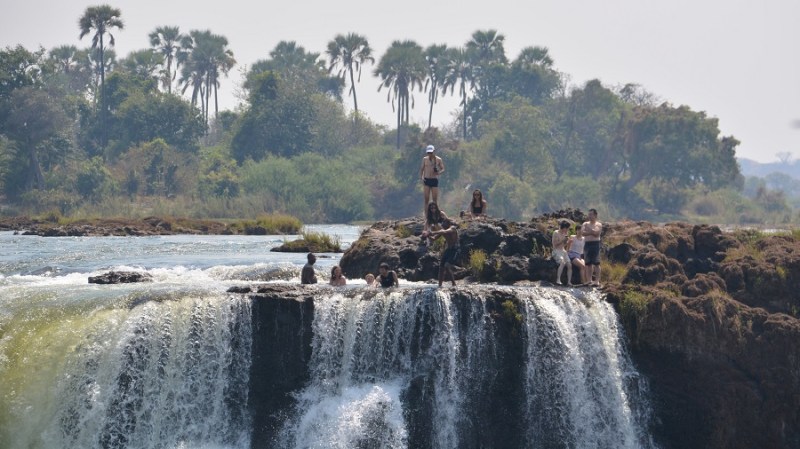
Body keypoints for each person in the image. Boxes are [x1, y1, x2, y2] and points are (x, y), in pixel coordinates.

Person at [430, 218, 460, 287]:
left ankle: (454, 284)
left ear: (449, 224)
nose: (443, 224)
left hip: (455, 249)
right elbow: (433, 238)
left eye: (445, 223)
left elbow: (445, 232)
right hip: (448, 250)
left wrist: (433, 232)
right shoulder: (442, 231)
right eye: (443, 222)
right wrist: (428, 235)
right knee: (441, 266)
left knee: (447, 265)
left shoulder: (452, 228)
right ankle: (440, 285)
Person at [419, 145, 445, 212]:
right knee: (426, 199)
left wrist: (438, 173)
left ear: (434, 151)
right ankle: (427, 216)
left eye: (431, 152)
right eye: (428, 153)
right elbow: (422, 169)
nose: (430, 154)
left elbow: (443, 169)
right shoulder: (425, 159)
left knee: (434, 200)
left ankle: (435, 215)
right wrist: (421, 177)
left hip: (434, 180)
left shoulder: (438, 159)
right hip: (426, 179)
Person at [581, 208, 603, 287]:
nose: (589, 216)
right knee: (588, 263)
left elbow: (596, 234)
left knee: (596, 263)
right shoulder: (585, 223)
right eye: (589, 214)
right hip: (587, 244)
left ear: (595, 215)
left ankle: (597, 281)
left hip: (595, 244)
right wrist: (591, 232)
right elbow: (582, 233)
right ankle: (589, 280)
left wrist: (589, 230)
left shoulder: (598, 224)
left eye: (591, 214)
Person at [552, 221, 573, 286]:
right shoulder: (556, 232)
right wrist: (563, 240)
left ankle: (569, 282)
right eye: (567, 228)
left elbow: (564, 245)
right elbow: (555, 244)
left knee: (569, 265)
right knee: (562, 262)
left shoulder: (565, 234)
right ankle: (558, 280)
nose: (567, 230)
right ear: (563, 227)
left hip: (563, 251)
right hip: (556, 251)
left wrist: (568, 242)